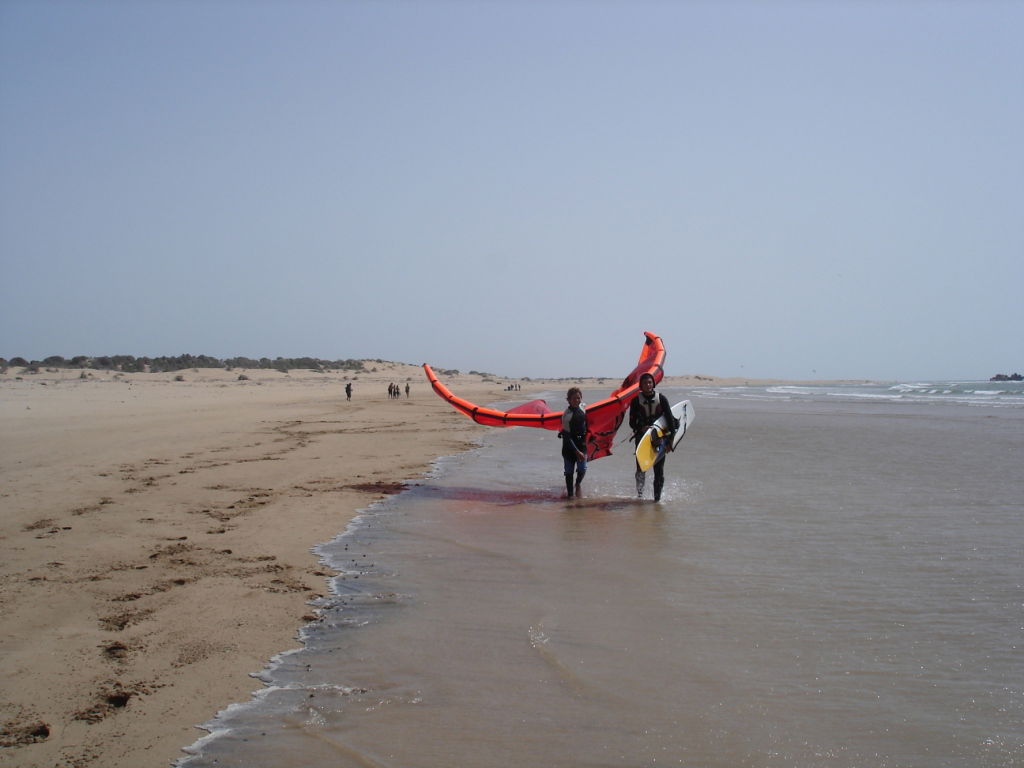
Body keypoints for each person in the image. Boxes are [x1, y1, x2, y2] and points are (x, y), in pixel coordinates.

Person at [629, 373, 677, 501]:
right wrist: (640, 428)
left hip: (659, 438)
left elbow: (670, 420)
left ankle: (657, 499)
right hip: (642, 438)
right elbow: (631, 422)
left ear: (653, 384)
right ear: (641, 385)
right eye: (645, 383)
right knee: (641, 468)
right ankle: (640, 495)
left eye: (650, 382)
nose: (648, 385)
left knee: (659, 470)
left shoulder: (661, 399)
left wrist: (671, 440)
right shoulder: (635, 401)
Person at [558, 387, 588, 498]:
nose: (577, 400)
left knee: (583, 468)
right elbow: (566, 436)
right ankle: (570, 496)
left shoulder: (583, 407)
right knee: (569, 472)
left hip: (582, 444)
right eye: (574, 399)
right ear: (569, 400)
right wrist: (577, 451)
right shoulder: (566, 416)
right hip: (569, 447)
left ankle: (578, 484)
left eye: (578, 398)